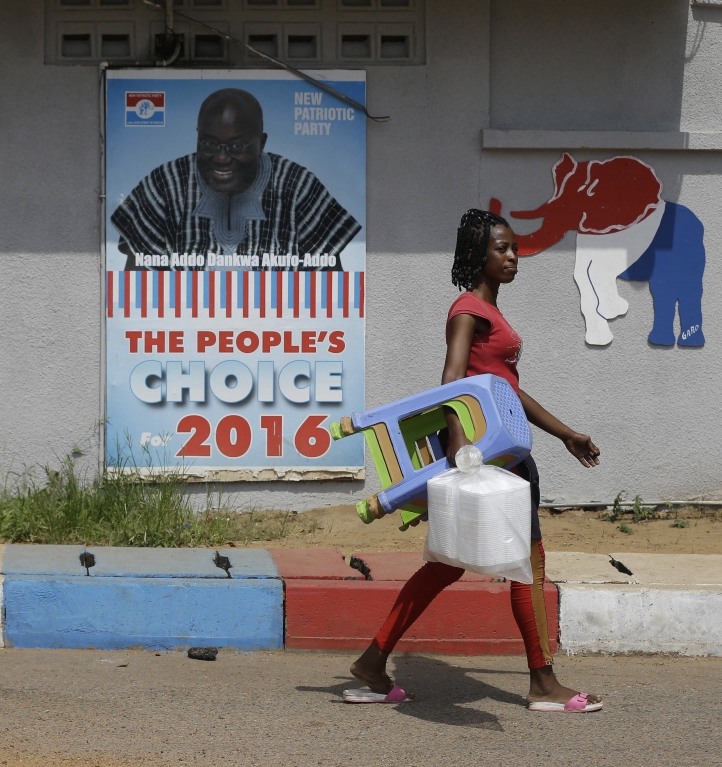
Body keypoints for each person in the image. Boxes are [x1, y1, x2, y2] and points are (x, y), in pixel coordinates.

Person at [344, 209, 604, 713]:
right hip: (491, 460)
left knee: (446, 564)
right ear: (476, 256)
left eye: (513, 248)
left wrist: (564, 433)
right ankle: (543, 685)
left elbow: (508, 391)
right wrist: (463, 456)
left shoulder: (491, 310)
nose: (513, 257)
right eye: (501, 249)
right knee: (529, 565)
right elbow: (452, 382)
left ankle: (374, 665)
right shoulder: (468, 309)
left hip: (501, 454)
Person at [110, 88, 360, 271]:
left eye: (237, 145)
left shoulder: (297, 187)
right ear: (197, 137)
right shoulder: (165, 185)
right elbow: (135, 290)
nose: (221, 157)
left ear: (261, 143)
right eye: (209, 144)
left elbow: (331, 289)